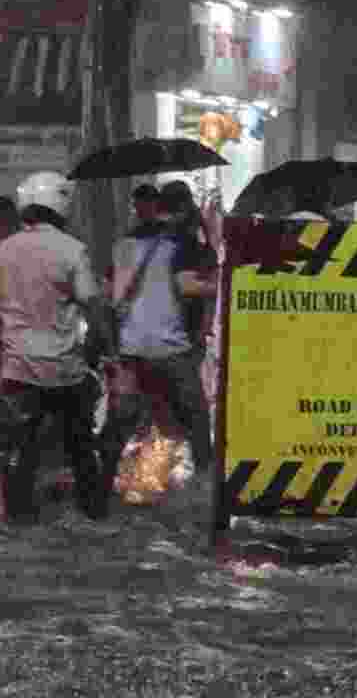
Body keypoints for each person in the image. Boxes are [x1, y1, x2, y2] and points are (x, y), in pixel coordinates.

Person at [0, 171, 113, 523]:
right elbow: (92, 305)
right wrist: (103, 347)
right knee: (81, 445)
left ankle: (17, 517)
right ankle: (93, 511)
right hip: (64, 369)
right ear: (61, 206)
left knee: (19, 446)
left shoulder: (2, 252)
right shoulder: (72, 250)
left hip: (18, 369)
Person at [99, 186, 220, 507]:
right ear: (181, 210)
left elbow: (109, 292)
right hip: (170, 349)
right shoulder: (180, 243)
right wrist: (218, 284)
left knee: (122, 419)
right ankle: (205, 490)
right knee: (197, 418)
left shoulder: (123, 244)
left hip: (130, 348)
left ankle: (102, 487)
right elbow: (187, 286)